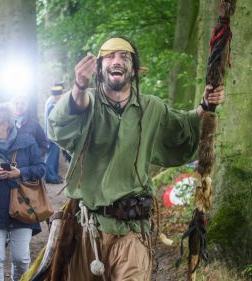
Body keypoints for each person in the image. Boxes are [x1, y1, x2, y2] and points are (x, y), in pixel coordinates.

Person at [47, 37, 225, 280]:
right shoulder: (87, 102)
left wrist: (205, 105)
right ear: (99, 68)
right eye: (109, 56)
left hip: (133, 229)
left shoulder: (150, 107)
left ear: (134, 68)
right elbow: (59, 124)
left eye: (125, 57)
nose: (117, 61)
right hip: (89, 228)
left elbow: (181, 128)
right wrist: (78, 85)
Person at [0, 103, 45, 281]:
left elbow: (41, 168)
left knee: (21, 259)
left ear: (5, 125)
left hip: (23, 207)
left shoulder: (27, 142)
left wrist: (21, 172)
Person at [11, 94, 48, 159]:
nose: (19, 106)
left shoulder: (34, 124)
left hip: (30, 165)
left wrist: (35, 155)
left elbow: (43, 145)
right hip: (11, 164)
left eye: (22, 103)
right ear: (12, 105)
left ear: (27, 105)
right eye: (16, 103)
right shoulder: (6, 124)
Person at [43, 82, 66, 184]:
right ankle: (50, 176)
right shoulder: (53, 103)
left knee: (53, 155)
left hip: (51, 133)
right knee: (52, 155)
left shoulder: (50, 100)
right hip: (53, 134)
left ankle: (54, 175)